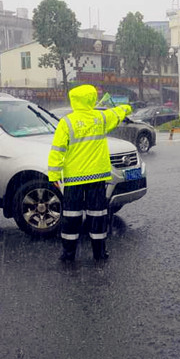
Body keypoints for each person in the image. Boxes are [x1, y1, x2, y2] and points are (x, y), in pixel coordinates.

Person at [48, 85, 132, 262]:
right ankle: (99, 253)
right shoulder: (101, 118)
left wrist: (54, 175)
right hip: (97, 176)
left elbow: (57, 150)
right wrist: (126, 107)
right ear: (92, 99)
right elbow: (119, 113)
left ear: (74, 100)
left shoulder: (67, 122)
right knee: (98, 215)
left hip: (73, 179)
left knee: (71, 216)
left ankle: (68, 254)